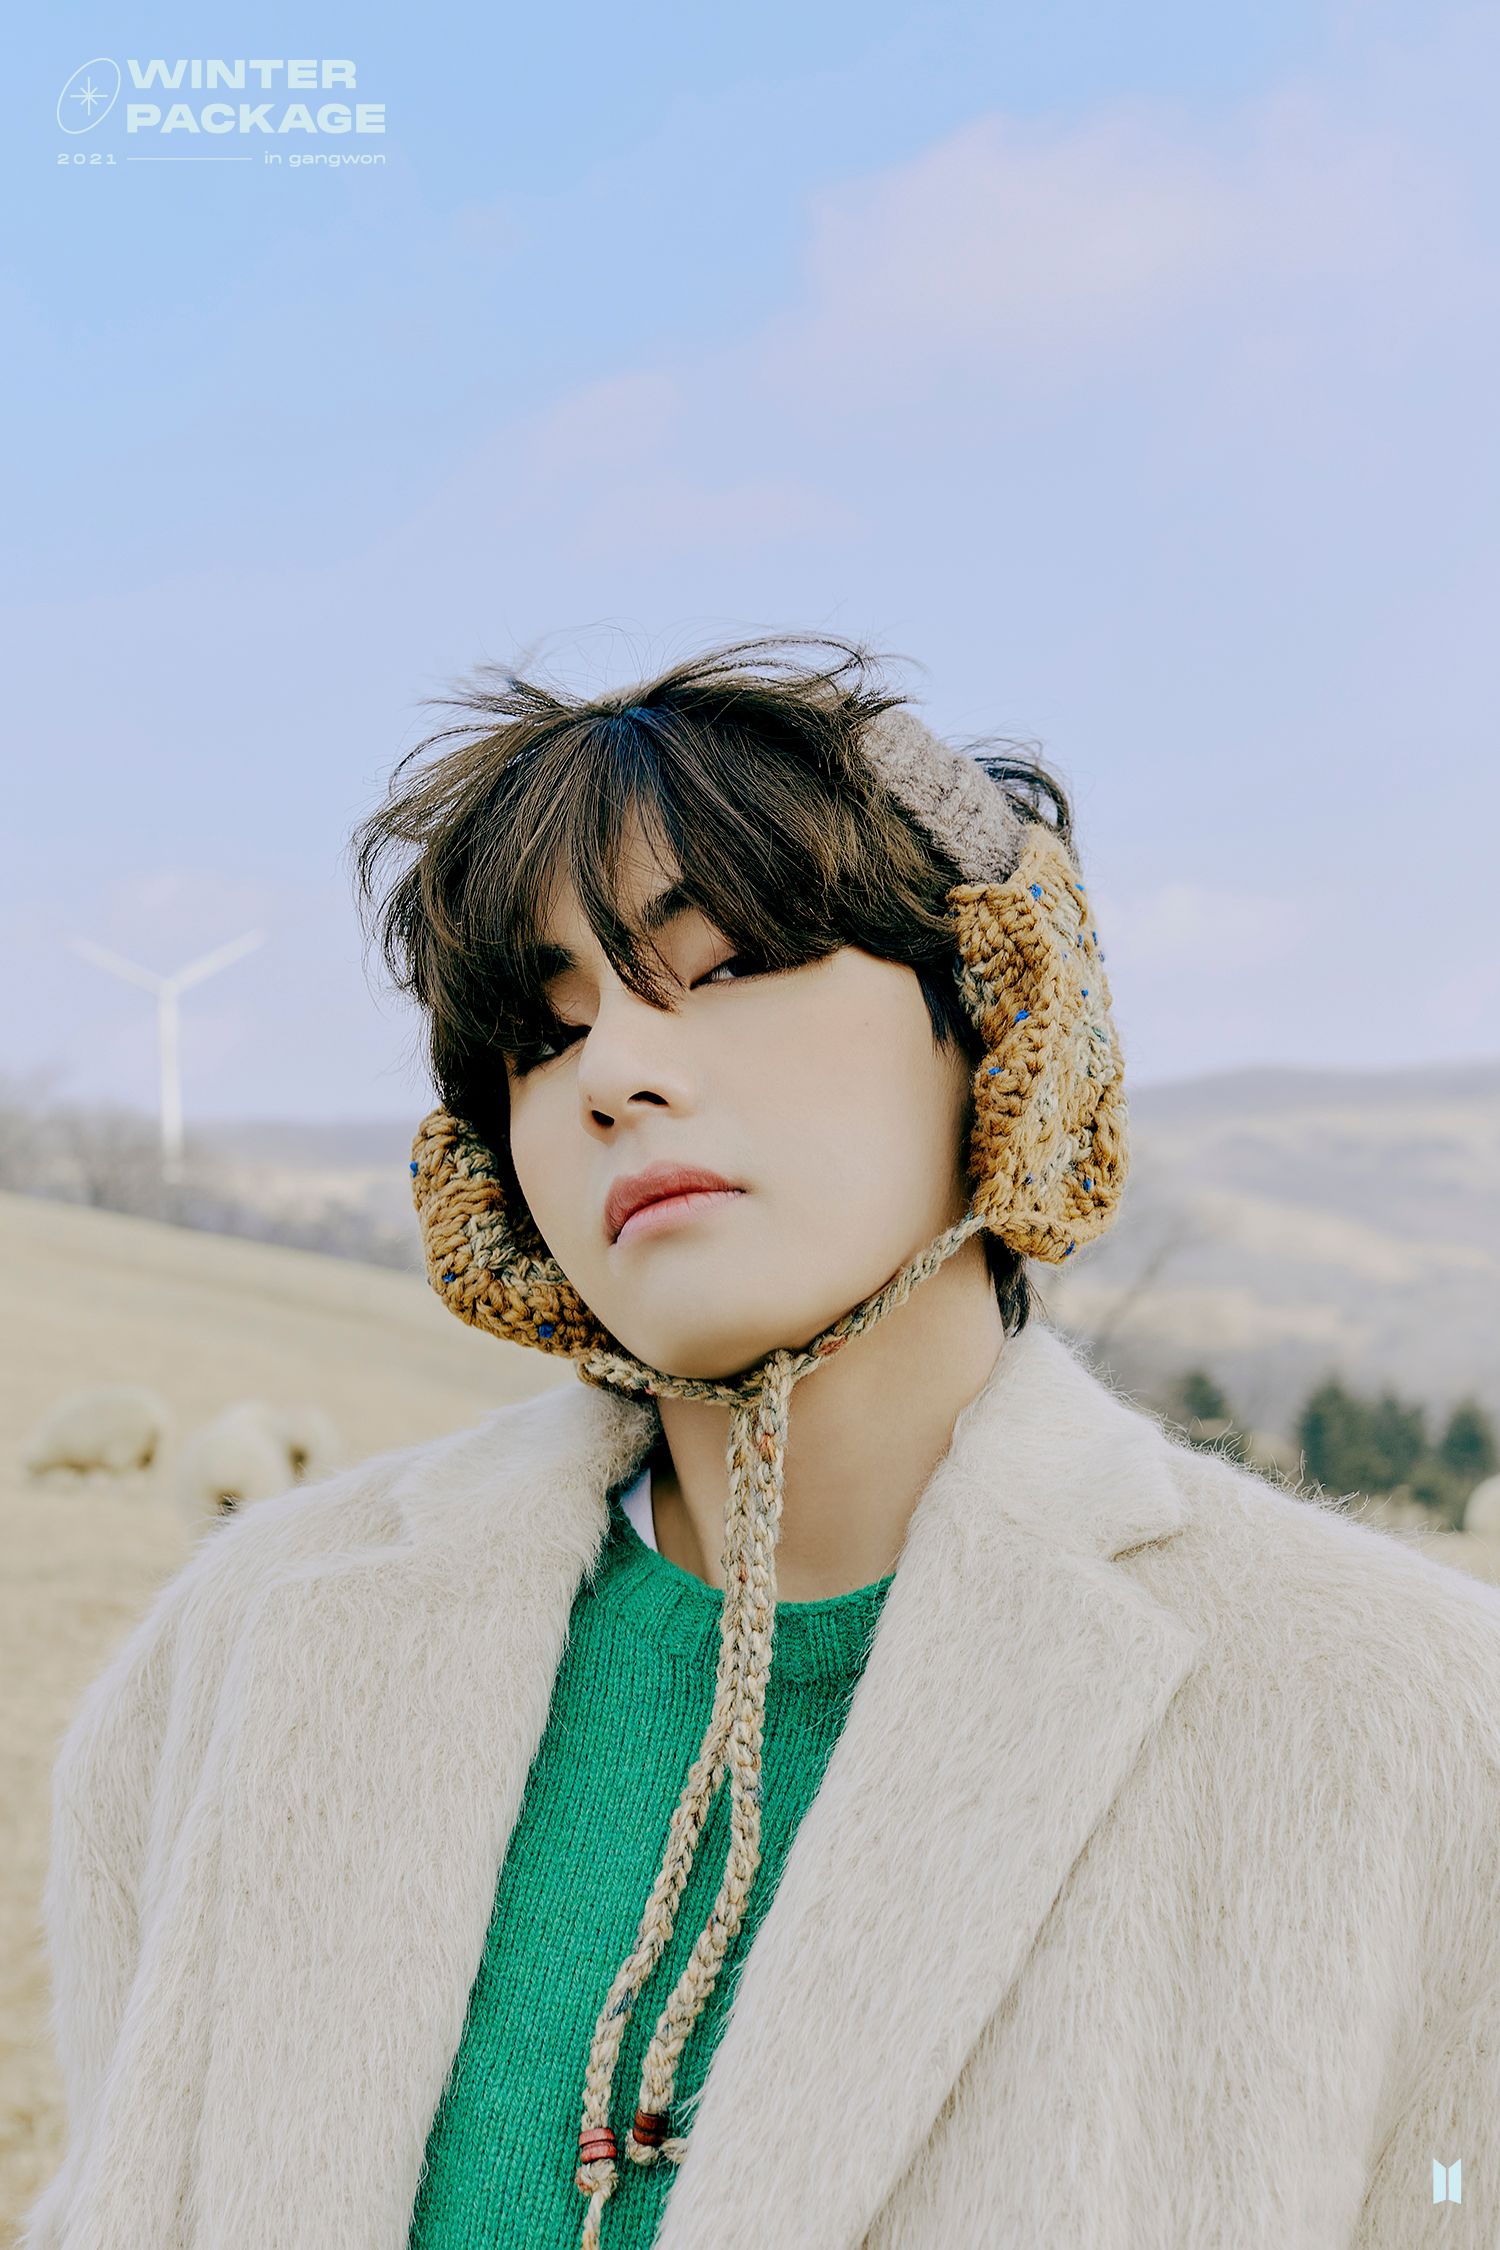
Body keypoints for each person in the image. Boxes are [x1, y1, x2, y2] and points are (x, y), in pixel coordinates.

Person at [22, 635, 1500, 2250]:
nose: (613, 1073)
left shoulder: (1413, 1726)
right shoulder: (242, 1653)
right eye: (543, 1034)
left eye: (723, 964)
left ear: (996, 1015)